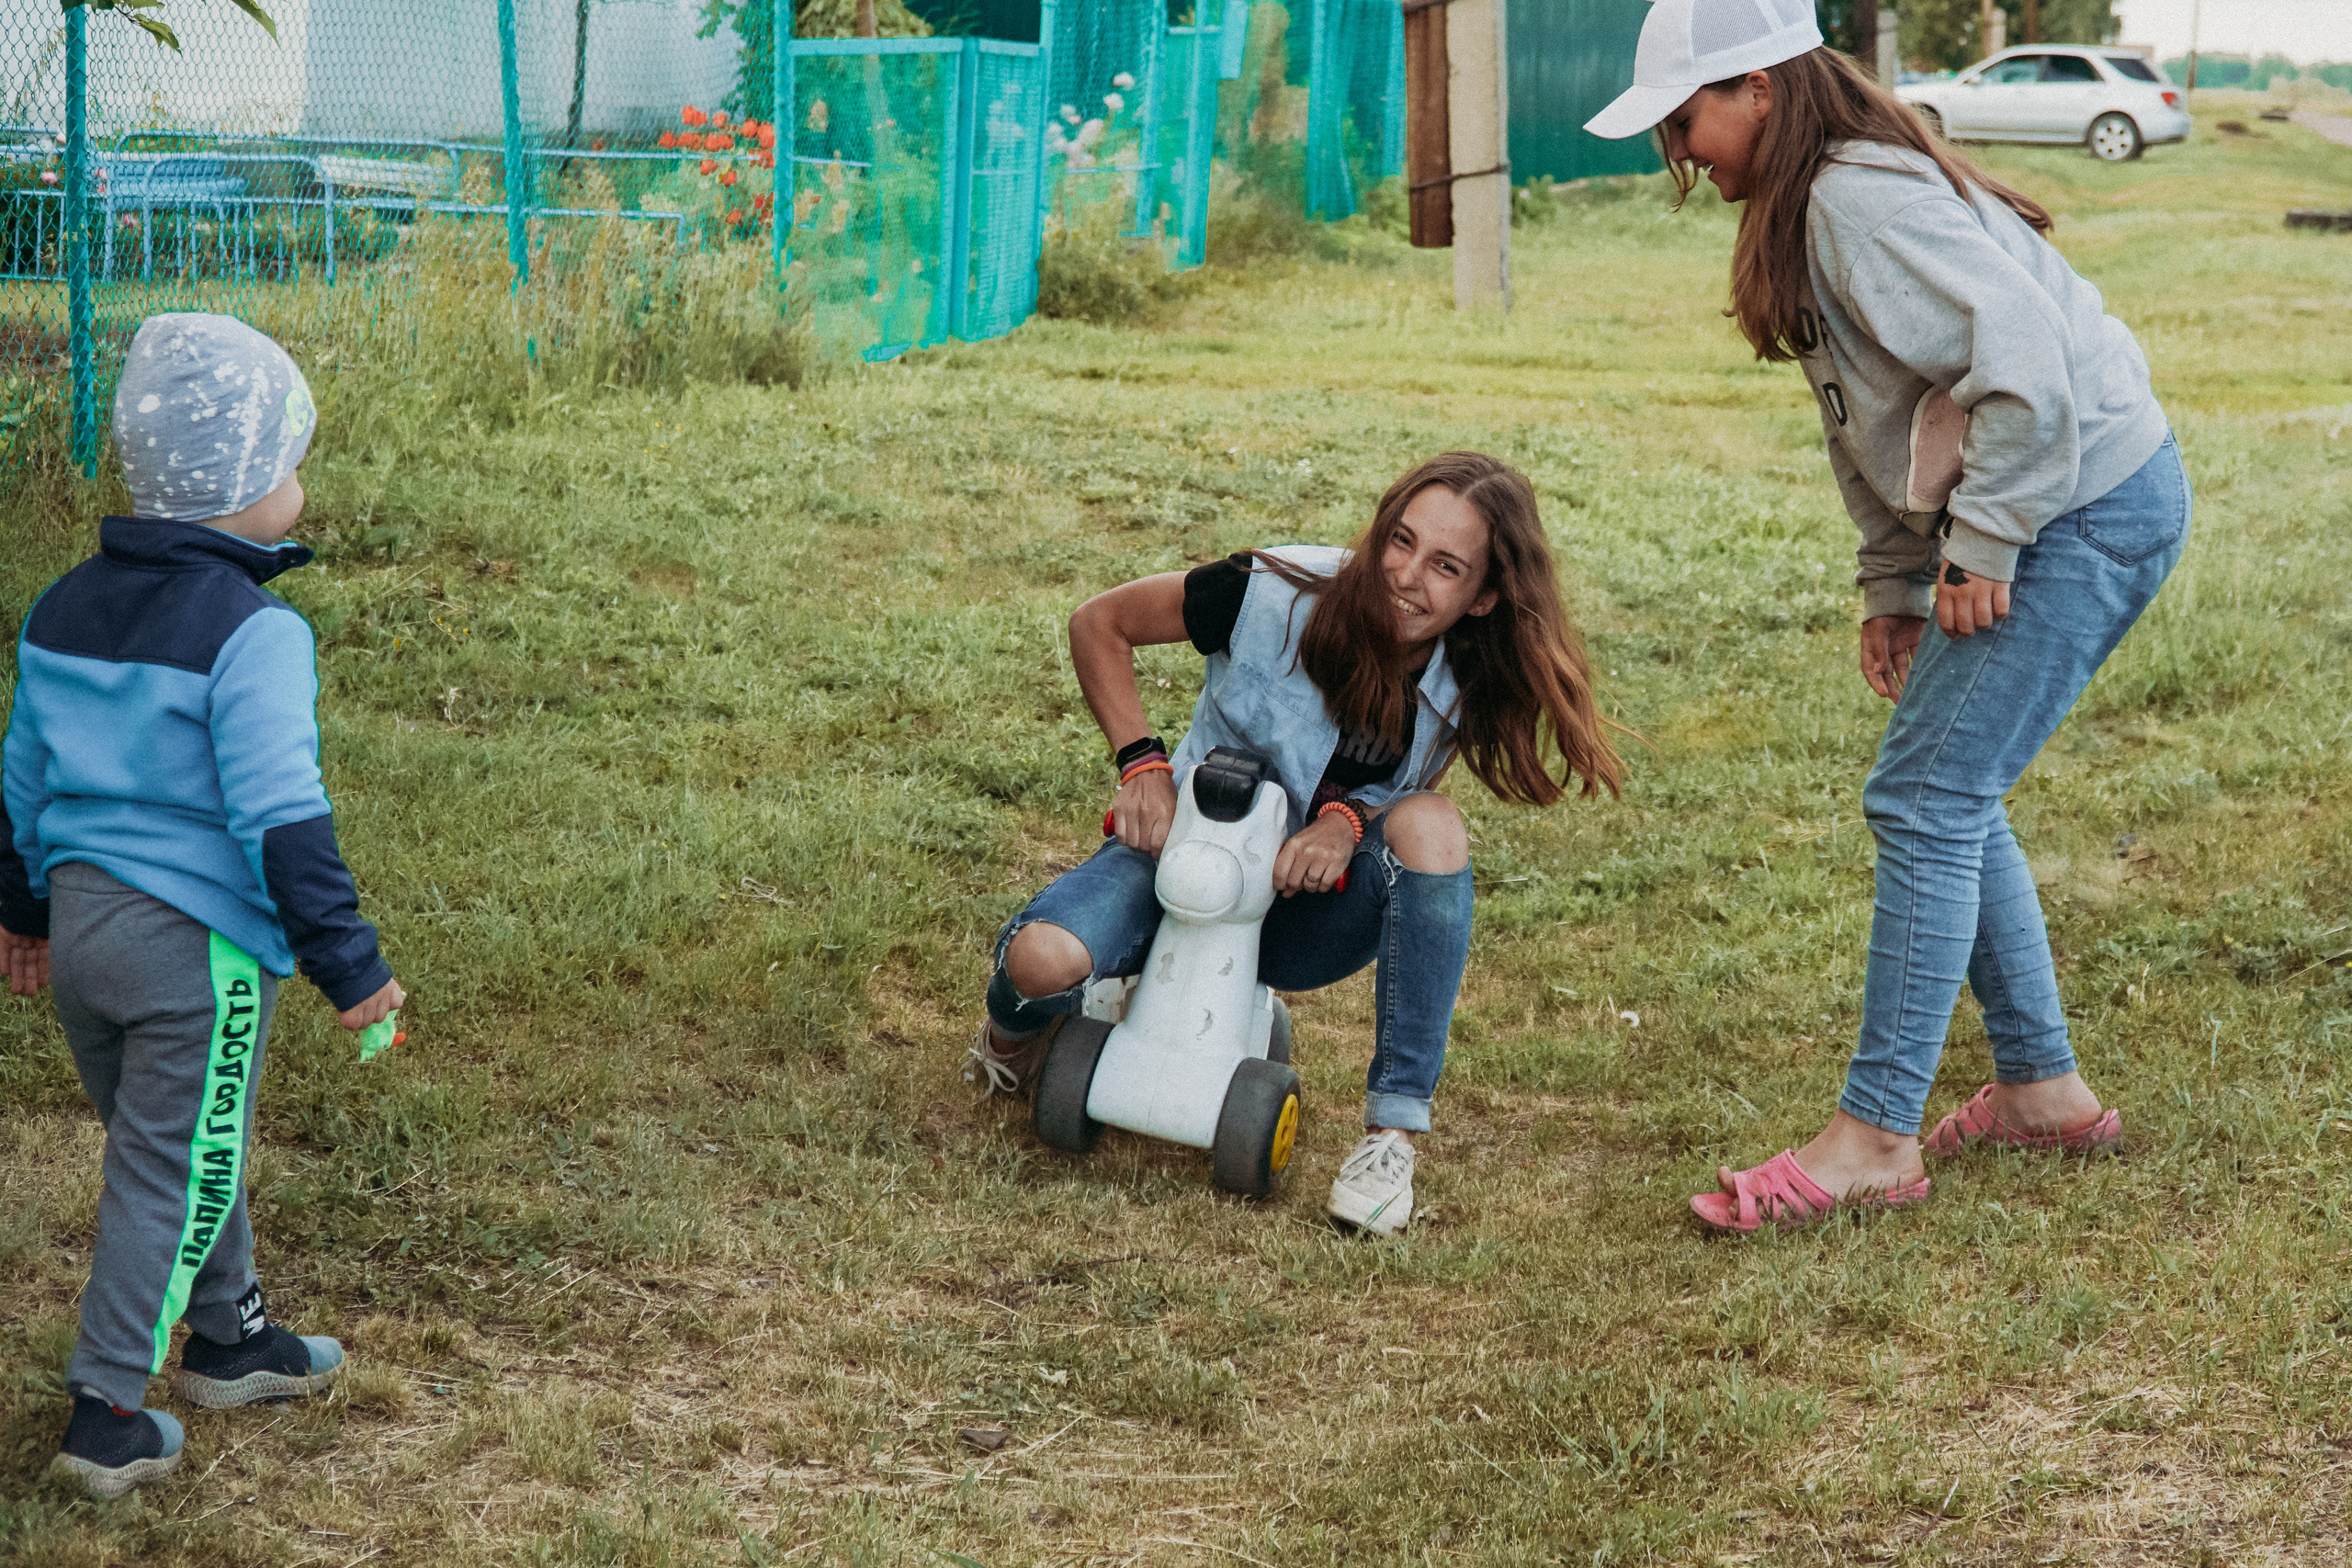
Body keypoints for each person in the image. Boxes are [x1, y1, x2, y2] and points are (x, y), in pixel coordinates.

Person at [1584, 0, 2187, 1232]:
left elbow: (2020, 360)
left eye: (1687, 118)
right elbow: (1869, 413)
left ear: (1757, 84)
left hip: (2083, 502)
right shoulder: (1815, 200)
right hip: (2075, 498)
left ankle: (1875, 1136)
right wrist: (1896, 581)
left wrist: (1983, 543)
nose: (1681, 151)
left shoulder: (1855, 194)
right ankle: (2041, 1088)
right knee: (1951, 785)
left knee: (1926, 795)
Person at [966, 451, 1623, 1235]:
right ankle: (1009, 1039)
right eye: (1401, 541)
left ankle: (1391, 1137)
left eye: (1446, 566)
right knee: (1044, 963)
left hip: (1296, 910)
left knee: (1433, 826)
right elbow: (1098, 623)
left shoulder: (1467, 677)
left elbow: (1400, 784)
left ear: (1483, 598)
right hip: (1178, 861)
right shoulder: (1266, 590)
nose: (1406, 576)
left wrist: (1346, 823)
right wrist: (1141, 762)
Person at [1, 314, 404, 1496]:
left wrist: (23, 911)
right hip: (194, 954)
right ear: (240, 490)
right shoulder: (256, 633)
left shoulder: (62, 609)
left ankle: (227, 1339)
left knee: (178, 1146)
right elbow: (284, 819)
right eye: (288, 462)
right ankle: (107, 1411)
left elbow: (21, 775)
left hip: (84, 937)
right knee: (168, 1168)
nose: (297, 484)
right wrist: (349, 964)